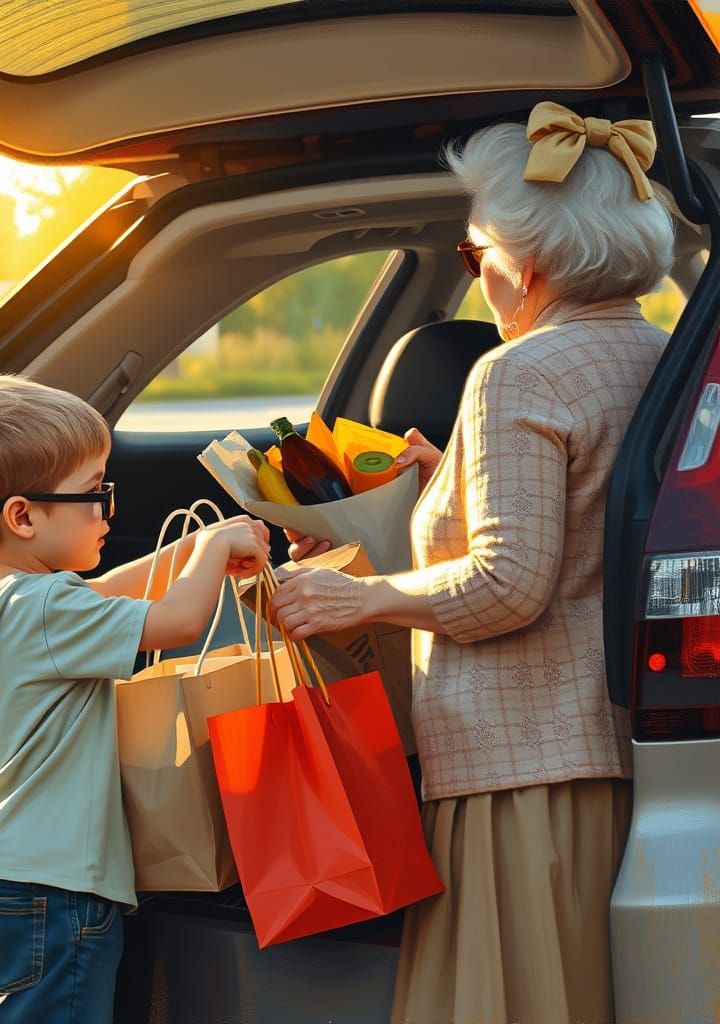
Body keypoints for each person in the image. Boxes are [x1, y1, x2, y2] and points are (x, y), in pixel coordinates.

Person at [272, 101, 675, 1024]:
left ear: (528, 264)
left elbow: (509, 586)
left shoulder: (515, 372)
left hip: (515, 774)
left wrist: (355, 598)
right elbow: (582, 532)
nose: (479, 279)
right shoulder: (657, 354)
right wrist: (444, 479)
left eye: (475, 257)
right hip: (608, 763)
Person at [0, 373, 269, 1024]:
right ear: (23, 515)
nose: (107, 509)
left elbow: (103, 599)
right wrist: (212, 548)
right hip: (52, 891)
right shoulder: (47, 608)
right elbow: (177, 623)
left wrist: (186, 550)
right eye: (92, 493)